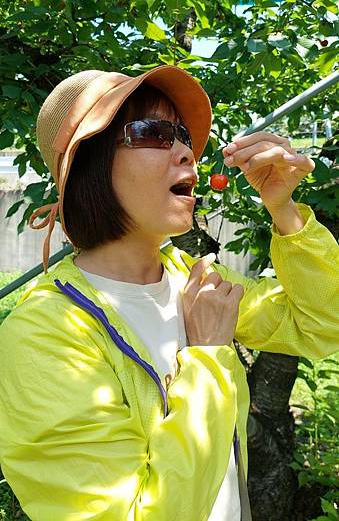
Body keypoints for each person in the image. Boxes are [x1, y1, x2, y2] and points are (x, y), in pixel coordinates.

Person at [0, 65, 338, 521]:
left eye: (182, 134)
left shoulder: (193, 280)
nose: (185, 151)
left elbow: (322, 325)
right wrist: (208, 356)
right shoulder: (45, 335)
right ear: (90, 163)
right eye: (153, 133)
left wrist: (285, 211)